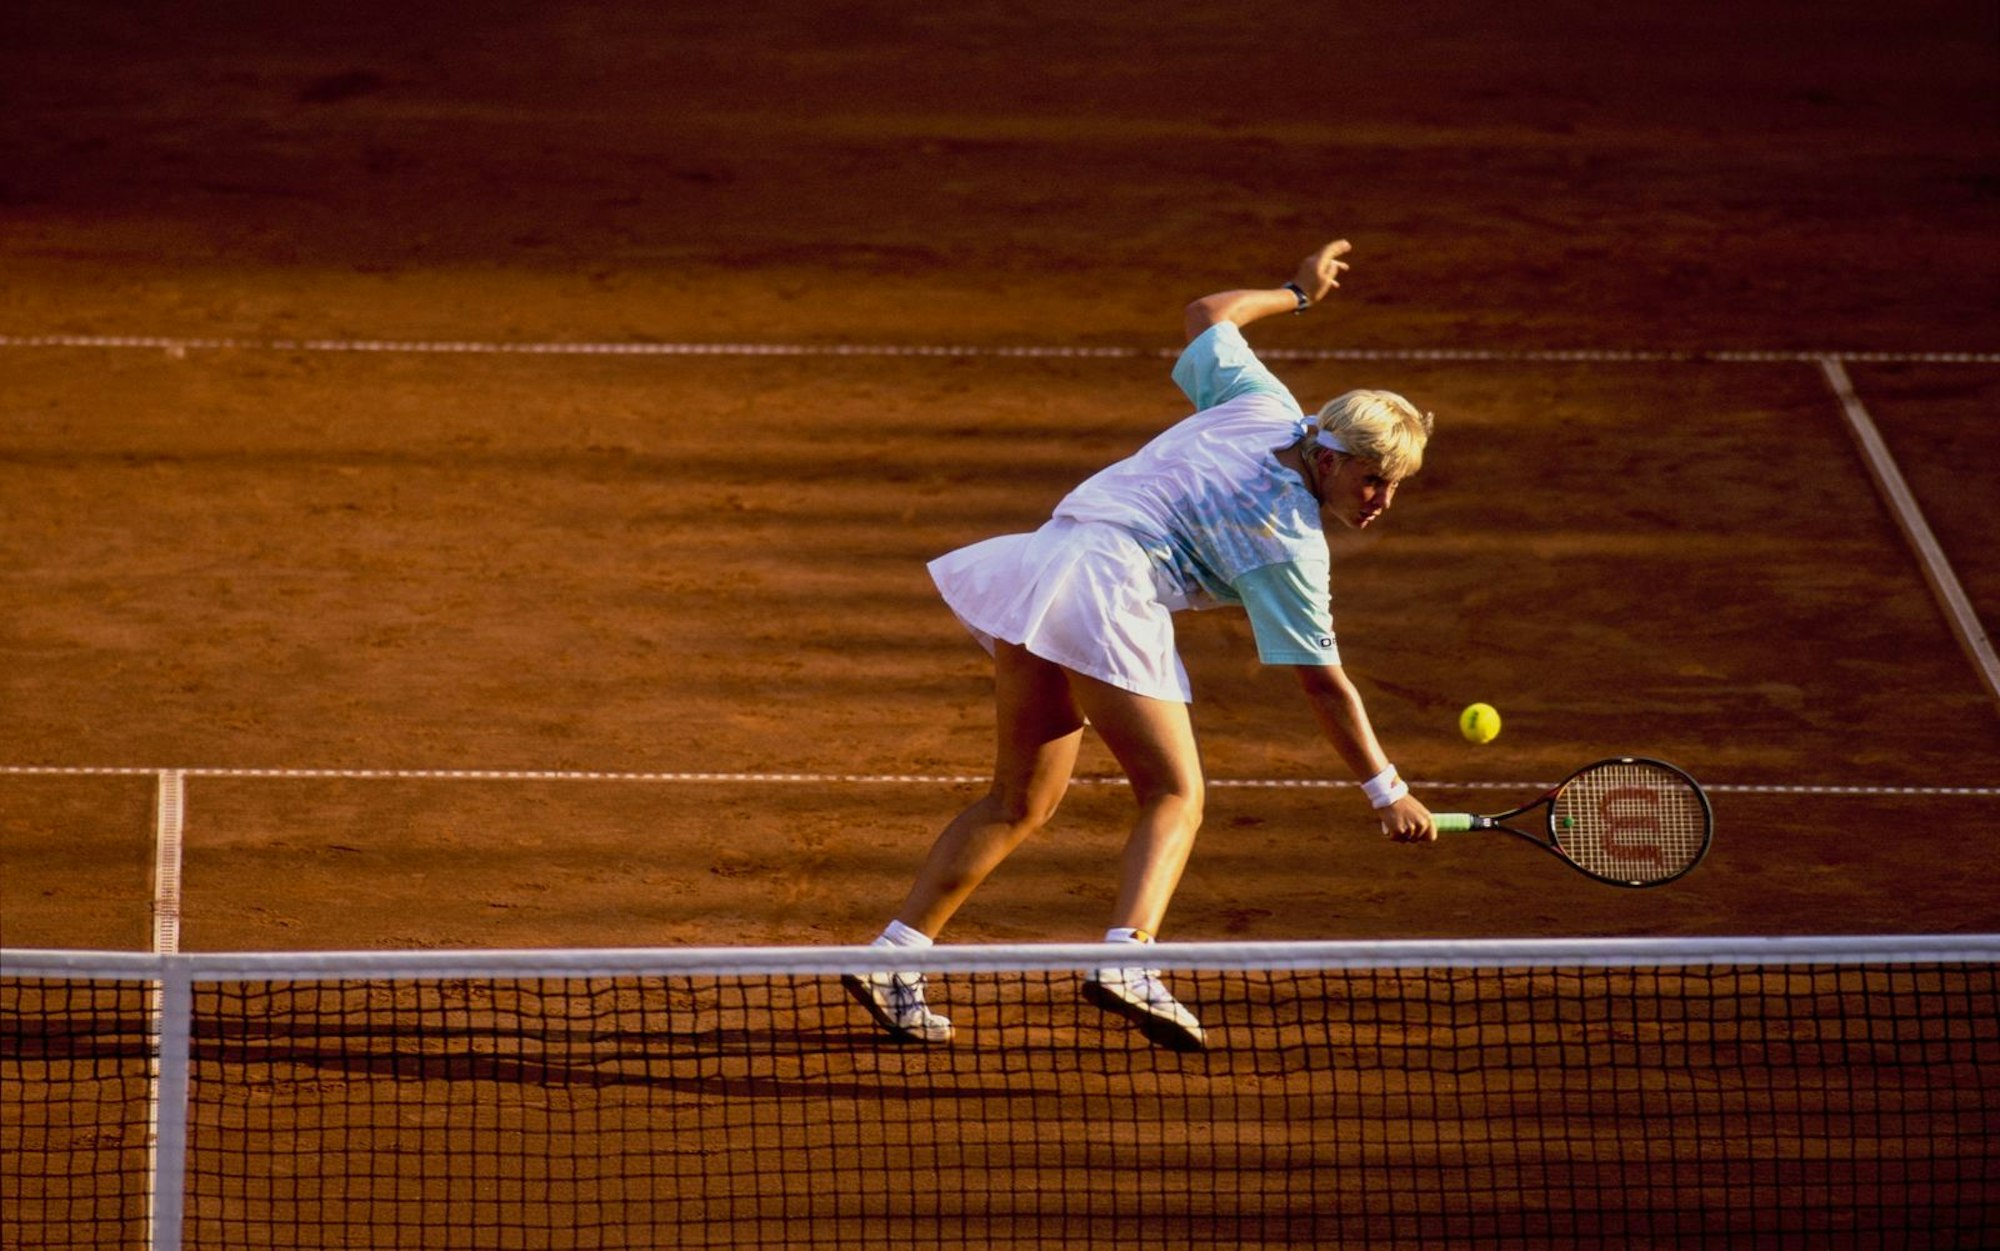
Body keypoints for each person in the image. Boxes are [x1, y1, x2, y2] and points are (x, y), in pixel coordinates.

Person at [844, 239, 1437, 1051]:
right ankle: (1127, 957)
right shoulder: (1289, 544)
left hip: (1041, 566)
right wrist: (1387, 790)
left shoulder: (1265, 402)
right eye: (1373, 478)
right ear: (1328, 456)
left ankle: (891, 955)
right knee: (1175, 794)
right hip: (1107, 588)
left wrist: (1295, 294)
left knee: (1021, 800)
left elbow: (1207, 314)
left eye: (1395, 483)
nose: (1382, 500)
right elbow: (1324, 684)